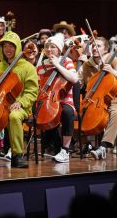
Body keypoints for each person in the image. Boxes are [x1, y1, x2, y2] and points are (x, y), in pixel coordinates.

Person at [0, 31, 38, 168]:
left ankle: (17, 155)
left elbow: (32, 92)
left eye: (11, 46)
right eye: (4, 46)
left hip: (21, 107)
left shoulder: (28, 68)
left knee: (14, 116)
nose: (7, 49)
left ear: (17, 47)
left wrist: (20, 102)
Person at [77, 36, 117, 160]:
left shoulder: (113, 61)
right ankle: (87, 144)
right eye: (93, 45)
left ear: (106, 50)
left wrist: (113, 72)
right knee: (75, 112)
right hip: (93, 100)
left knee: (115, 112)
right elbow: (77, 82)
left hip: (114, 99)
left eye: (98, 46)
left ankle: (103, 146)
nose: (95, 48)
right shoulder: (86, 65)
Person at [36, 33, 79, 163]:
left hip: (65, 100)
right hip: (47, 99)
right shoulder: (41, 65)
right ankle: (51, 144)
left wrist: (58, 65)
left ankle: (65, 149)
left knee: (66, 112)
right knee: (38, 111)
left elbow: (74, 78)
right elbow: (37, 85)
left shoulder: (67, 61)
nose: (49, 49)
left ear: (59, 50)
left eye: (53, 47)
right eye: (47, 47)